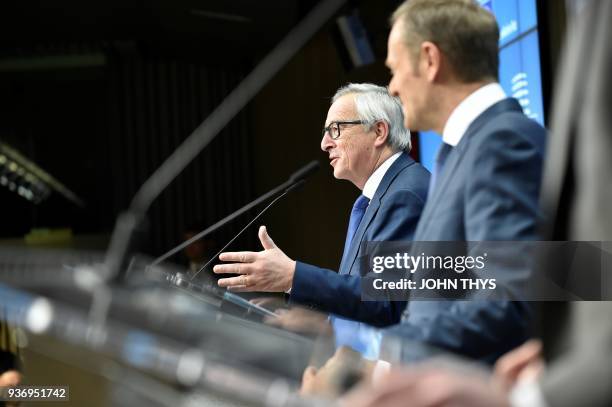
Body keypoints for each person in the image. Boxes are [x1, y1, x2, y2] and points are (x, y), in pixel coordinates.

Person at [379, 0, 546, 362]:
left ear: (429, 59)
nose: (391, 87)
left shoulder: (503, 143)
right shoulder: (466, 149)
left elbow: (506, 303)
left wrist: (386, 354)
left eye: (394, 69)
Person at [212, 83, 430, 328]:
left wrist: (293, 276)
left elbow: (385, 300)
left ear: (379, 131)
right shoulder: (379, 197)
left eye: (335, 129)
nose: (325, 143)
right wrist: (321, 324)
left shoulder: (405, 194)